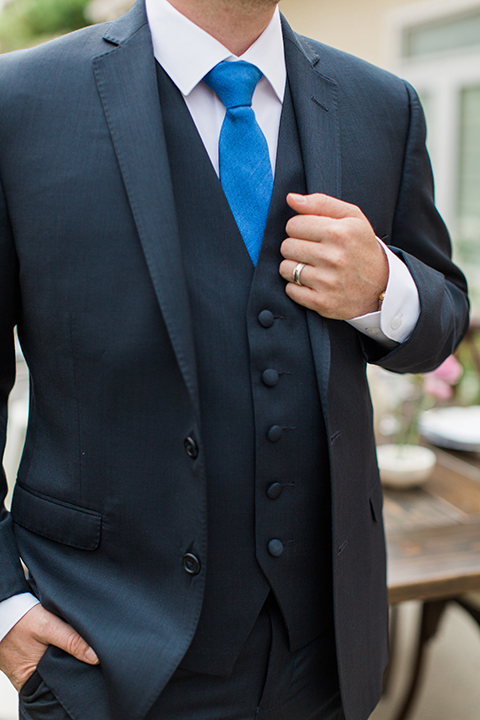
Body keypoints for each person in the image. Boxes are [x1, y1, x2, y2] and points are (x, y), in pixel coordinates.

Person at [0, 0, 469, 718]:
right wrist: (3, 606)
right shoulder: (19, 101)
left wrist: (385, 286)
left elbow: (442, 320)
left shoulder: (382, 104)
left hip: (325, 660)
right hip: (101, 659)